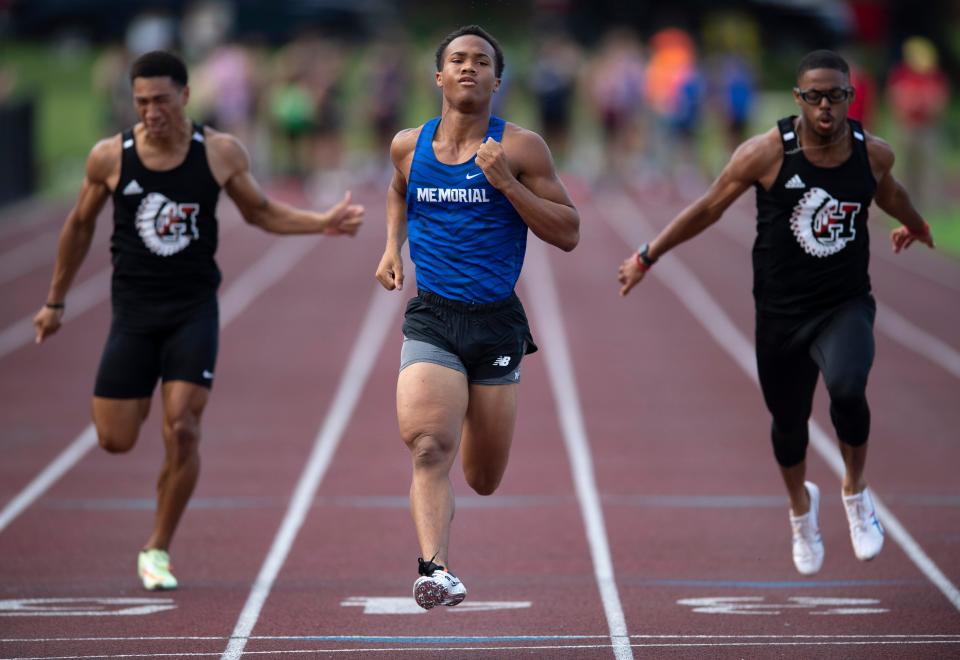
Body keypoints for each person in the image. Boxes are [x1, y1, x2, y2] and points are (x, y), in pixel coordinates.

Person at [33, 51, 363, 591]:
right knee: (115, 438)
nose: (150, 111)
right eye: (141, 102)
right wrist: (55, 301)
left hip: (193, 311)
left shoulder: (219, 153)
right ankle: (151, 500)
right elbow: (78, 225)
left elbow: (259, 212)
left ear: (185, 96)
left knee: (183, 427)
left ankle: (157, 547)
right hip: (133, 315)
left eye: (161, 100)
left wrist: (320, 222)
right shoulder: (110, 157)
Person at [617, 50, 934, 576]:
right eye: (814, 96)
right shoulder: (766, 153)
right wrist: (648, 256)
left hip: (844, 302)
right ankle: (800, 510)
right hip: (781, 313)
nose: (825, 106)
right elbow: (709, 207)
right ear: (798, 99)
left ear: (850, 98)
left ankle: (856, 493)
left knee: (849, 388)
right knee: (789, 426)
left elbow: (892, 196)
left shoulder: (872, 154)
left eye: (835, 95)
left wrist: (919, 226)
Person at [375, 25, 579, 609]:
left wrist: (508, 184)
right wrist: (393, 246)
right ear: (438, 76)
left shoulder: (521, 148)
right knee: (427, 448)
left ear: (496, 79)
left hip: (496, 323)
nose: (469, 68)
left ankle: (466, 405)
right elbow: (397, 189)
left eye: (481, 61)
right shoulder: (408, 145)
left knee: (484, 477)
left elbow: (569, 233)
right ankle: (434, 571)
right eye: (457, 60)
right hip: (432, 317)